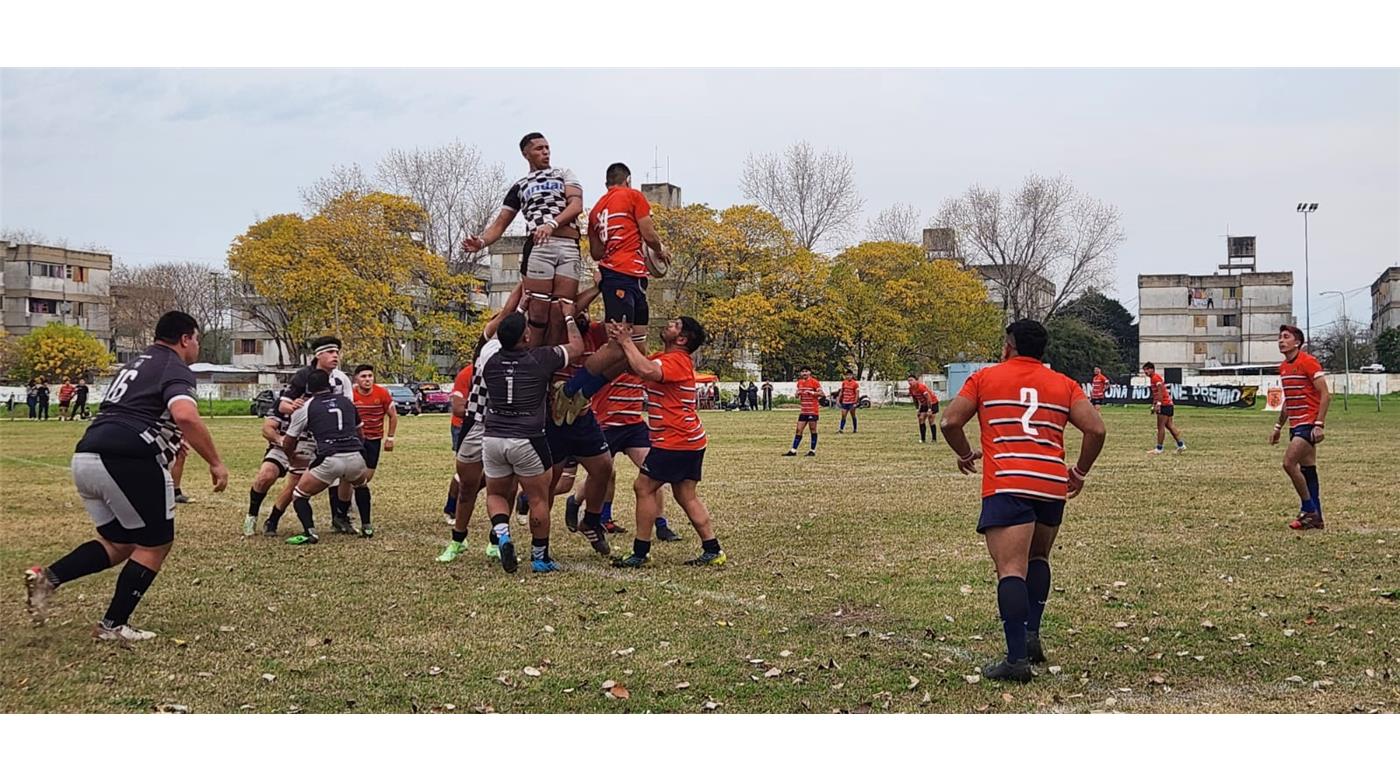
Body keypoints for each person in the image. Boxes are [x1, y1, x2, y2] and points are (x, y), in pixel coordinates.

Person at [24, 311, 229, 642]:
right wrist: (216, 462)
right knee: (156, 543)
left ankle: (48, 579)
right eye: (197, 340)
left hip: (87, 454)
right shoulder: (174, 366)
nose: (197, 347)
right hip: (128, 459)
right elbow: (185, 415)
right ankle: (112, 625)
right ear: (185, 339)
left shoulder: (135, 364)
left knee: (119, 542)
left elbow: (137, 410)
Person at [939, 319, 1106, 682]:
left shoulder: (985, 378)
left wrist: (965, 454)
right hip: (1050, 484)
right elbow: (1096, 429)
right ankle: (1031, 635)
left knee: (1011, 569)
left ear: (1008, 346)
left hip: (1008, 482)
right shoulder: (1064, 384)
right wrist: (1079, 472)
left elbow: (950, 422)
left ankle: (1016, 660)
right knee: (1038, 558)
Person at [610, 316, 725, 568]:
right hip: (689, 439)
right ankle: (713, 549)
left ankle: (640, 552)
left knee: (643, 487)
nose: (668, 325)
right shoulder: (664, 358)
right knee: (686, 494)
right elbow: (635, 367)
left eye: (675, 325)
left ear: (681, 339)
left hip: (675, 440)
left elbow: (646, 371)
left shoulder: (677, 361)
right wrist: (624, 343)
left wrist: (626, 341)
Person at [480, 305, 584, 574]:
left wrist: (519, 306)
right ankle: (539, 557)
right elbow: (577, 348)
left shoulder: (488, 358)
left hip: (493, 438)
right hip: (528, 439)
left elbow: (493, 336)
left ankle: (503, 535)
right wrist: (569, 316)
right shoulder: (541, 358)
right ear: (526, 337)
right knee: (538, 498)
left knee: (495, 494)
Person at [464, 133, 585, 349]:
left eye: (547, 147)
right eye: (539, 149)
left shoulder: (563, 173)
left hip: (567, 245)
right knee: (538, 312)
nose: (545, 152)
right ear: (526, 154)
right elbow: (501, 223)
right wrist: (481, 242)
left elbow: (576, 205)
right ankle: (531, 360)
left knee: (560, 311)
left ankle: (553, 360)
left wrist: (552, 224)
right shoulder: (520, 186)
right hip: (541, 248)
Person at [565, 162, 671, 401]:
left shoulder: (595, 211)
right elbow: (649, 234)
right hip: (621, 276)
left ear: (607, 183)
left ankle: (584, 394)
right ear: (628, 180)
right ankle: (570, 391)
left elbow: (596, 253)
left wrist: (616, 241)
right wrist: (660, 250)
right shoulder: (634, 196)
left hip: (632, 278)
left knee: (636, 350)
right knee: (616, 346)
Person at [437, 286, 525, 563]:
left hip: (508, 425)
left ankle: (496, 541)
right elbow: (508, 311)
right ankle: (458, 540)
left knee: (508, 487)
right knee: (468, 485)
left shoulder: (528, 350)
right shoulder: (487, 346)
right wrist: (524, 285)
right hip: (477, 422)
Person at [586, 369, 681, 543]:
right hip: (606, 425)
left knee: (653, 473)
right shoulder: (610, 362)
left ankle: (661, 525)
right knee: (604, 474)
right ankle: (584, 507)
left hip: (633, 426)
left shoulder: (640, 365)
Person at [281, 370, 370, 545]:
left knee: (299, 495)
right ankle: (367, 527)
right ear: (329, 385)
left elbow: (289, 440)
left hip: (329, 458)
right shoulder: (347, 402)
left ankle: (310, 533)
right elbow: (361, 433)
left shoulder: (306, 407)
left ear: (309, 388)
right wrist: (357, 449)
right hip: (355, 456)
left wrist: (290, 456)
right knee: (361, 486)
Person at [280, 336, 356, 532]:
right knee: (296, 481)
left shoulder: (342, 378)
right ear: (318, 355)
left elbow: (349, 408)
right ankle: (272, 519)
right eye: (330, 352)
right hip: (306, 435)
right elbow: (283, 405)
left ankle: (340, 518)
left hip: (334, 437)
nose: (335, 356)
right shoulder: (303, 376)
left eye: (337, 352)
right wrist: (294, 406)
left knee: (342, 476)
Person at [1271, 324, 1330, 530]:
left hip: (1308, 423)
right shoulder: (1283, 367)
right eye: (1280, 337)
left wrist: (1319, 424)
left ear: (1297, 342)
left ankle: (1308, 508)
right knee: (1308, 470)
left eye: (1286, 337)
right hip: (1295, 424)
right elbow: (1289, 400)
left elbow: (1325, 394)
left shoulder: (1308, 361)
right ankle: (1316, 518)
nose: (1281, 340)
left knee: (1288, 463)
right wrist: (1278, 426)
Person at [243, 393, 315, 537]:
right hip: (280, 448)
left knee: (295, 486)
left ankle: (272, 520)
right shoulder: (284, 402)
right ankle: (252, 515)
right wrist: (281, 441)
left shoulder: (317, 403)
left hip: (306, 448)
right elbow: (267, 428)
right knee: (266, 476)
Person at [350, 364, 397, 538]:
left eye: (370, 376)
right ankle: (346, 511)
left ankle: (351, 501)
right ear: (356, 379)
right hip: (355, 441)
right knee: (355, 477)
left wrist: (390, 437)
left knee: (366, 477)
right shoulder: (351, 395)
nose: (367, 379)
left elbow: (393, 415)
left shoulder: (382, 393)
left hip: (374, 440)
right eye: (363, 376)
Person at [1142, 362, 1185, 454]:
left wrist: (1159, 404)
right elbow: (1156, 393)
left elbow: (1160, 390)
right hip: (1168, 404)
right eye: (1144, 370)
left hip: (1164, 405)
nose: (1145, 372)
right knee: (1169, 425)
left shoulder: (1155, 378)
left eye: (1147, 369)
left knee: (1160, 426)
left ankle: (1159, 448)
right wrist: (1154, 404)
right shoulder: (1154, 378)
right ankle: (1181, 445)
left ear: (1152, 369)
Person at [785, 368, 822, 456]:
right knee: (798, 429)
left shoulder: (814, 382)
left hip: (812, 410)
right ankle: (793, 450)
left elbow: (821, 393)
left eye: (806, 371)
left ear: (810, 372)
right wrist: (797, 394)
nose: (804, 373)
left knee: (812, 430)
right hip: (804, 410)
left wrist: (812, 393)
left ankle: (812, 450)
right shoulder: (800, 382)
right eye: (802, 371)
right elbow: (797, 395)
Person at [908, 374, 938, 442]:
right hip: (924, 404)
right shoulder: (911, 389)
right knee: (921, 418)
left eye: (911, 380)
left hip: (932, 403)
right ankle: (923, 439)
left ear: (916, 380)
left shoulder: (921, 387)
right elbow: (915, 399)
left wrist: (929, 409)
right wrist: (917, 409)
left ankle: (934, 439)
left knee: (931, 420)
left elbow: (928, 398)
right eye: (908, 381)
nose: (910, 382)